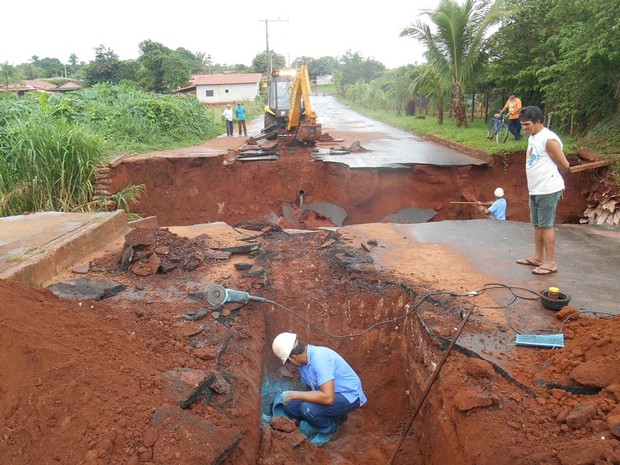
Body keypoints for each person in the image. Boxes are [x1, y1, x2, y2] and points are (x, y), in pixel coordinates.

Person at [272, 332, 367, 446]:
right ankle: (336, 416)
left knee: (307, 409)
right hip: (329, 393)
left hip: (348, 395)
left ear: (293, 357)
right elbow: (310, 388)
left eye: (288, 361)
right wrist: (295, 417)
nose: (290, 364)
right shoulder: (303, 363)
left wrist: (294, 395)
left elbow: (328, 398)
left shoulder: (320, 359)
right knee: (290, 408)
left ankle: (329, 430)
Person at [516, 105, 570, 275]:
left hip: (547, 189)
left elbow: (565, 165)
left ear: (538, 121)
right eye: (522, 125)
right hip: (535, 189)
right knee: (537, 225)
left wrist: (554, 182)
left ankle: (551, 262)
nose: (524, 128)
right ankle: (538, 258)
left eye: (527, 125)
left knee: (546, 226)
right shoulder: (533, 136)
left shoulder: (549, 140)